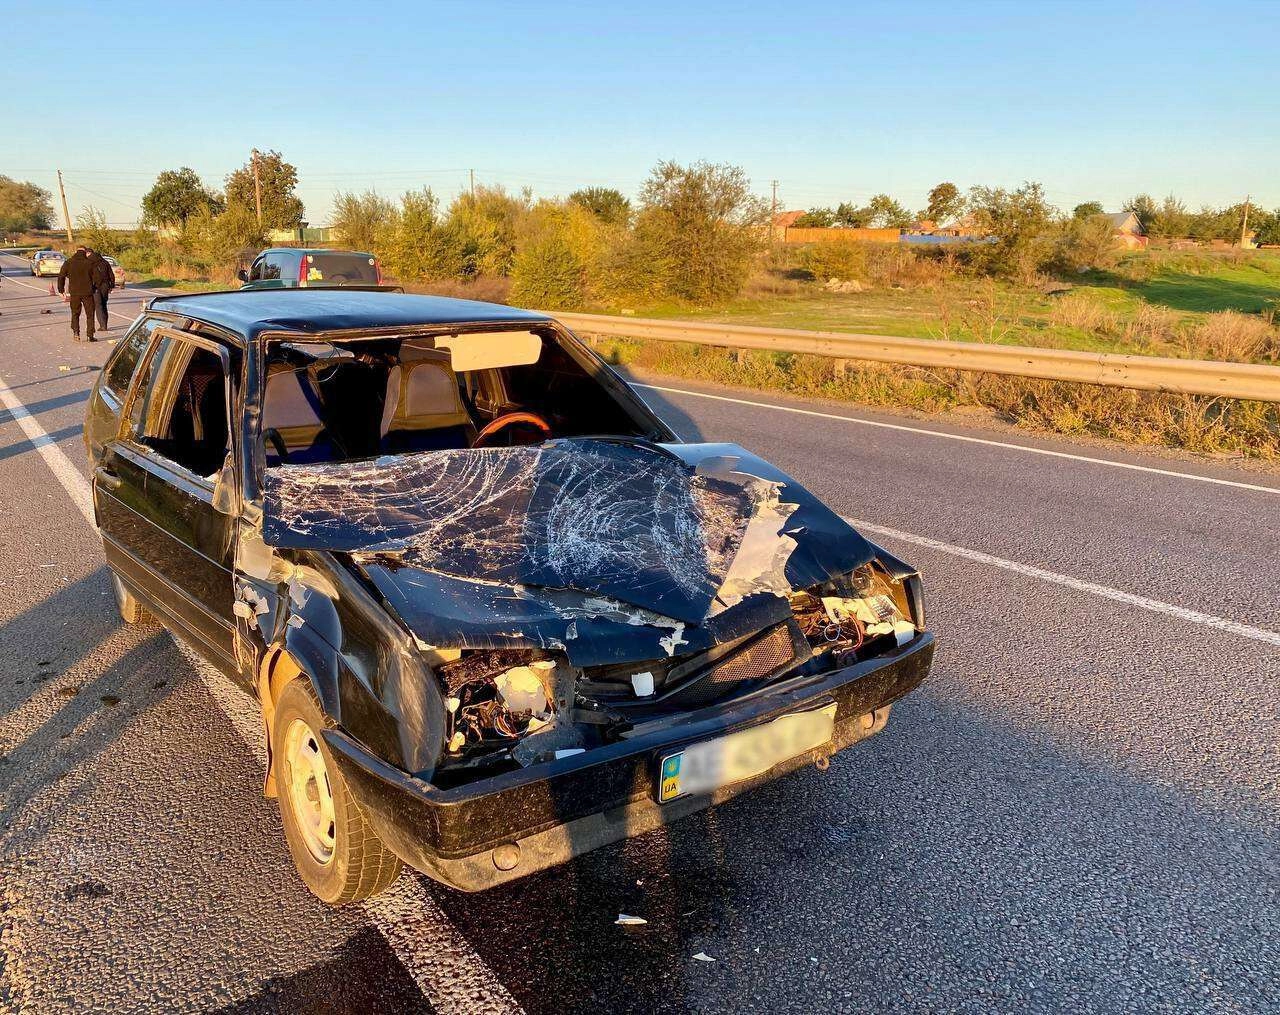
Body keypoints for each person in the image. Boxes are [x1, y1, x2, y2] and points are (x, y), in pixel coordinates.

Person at [56, 245, 98, 341]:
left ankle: (76, 332)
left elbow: (61, 276)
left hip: (74, 292)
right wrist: (94, 288)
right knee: (90, 314)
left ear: (76, 251)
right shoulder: (90, 263)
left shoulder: (69, 262)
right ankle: (90, 335)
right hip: (88, 292)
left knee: (75, 313)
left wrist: (61, 290)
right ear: (85, 252)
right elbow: (96, 278)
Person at [86, 247, 115, 332]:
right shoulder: (105, 262)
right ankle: (105, 324)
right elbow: (111, 275)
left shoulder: (90, 263)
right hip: (105, 286)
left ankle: (102, 325)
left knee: (98, 306)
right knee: (104, 305)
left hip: (95, 287)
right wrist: (111, 286)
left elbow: (88, 276)